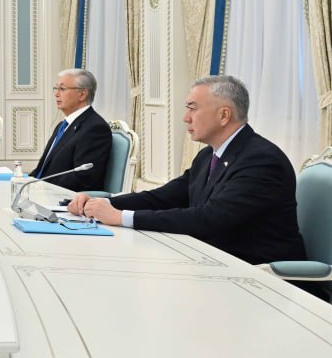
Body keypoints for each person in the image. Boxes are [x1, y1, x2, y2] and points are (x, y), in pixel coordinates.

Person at [72, 75, 309, 269]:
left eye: (192, 109)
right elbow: (163, 197)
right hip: (212, 261)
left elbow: (210, 219)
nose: (186, 118)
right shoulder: (208, 155)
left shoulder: (262, 160)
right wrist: (103, 203)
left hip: (258, 275)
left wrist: (121, 217)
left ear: (224, 115)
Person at [29, 68, 110, 191]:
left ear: (82, 94)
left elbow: (84, 177)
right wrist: (26, 181)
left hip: (61, 196)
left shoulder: (95, 128)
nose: (56, 94)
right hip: (40, 190)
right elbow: (43, 170)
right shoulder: (63, 125)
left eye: (62, 89)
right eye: (56, 88)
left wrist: (41, 186)